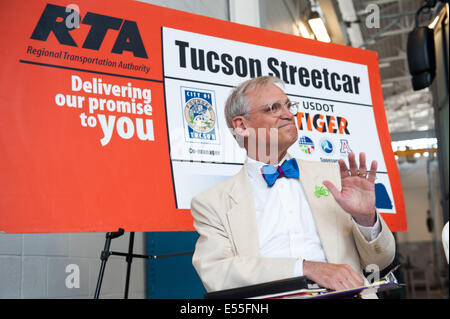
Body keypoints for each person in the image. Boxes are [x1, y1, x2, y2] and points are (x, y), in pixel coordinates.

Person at [190, 76, 395, 295]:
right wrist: (305, 268)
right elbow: (216, 273)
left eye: (288, 106)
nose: (288, 114)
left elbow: (380, 261)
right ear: (241, 126)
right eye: (273, 108)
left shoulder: (337, 178)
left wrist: (365, 219)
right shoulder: (212, 203)